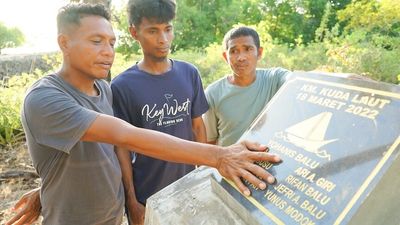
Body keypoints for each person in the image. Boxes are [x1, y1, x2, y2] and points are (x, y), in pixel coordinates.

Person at [6, 4, 281, 225]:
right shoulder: (45, 97)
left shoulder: (102, 88)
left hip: (112, 215)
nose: (108, 52)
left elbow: (103, 153)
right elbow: (125, 137)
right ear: (64, 43)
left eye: (112, 43)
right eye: (96, 41)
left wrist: (45, 190)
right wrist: (220, 156)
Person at [110, 0, 208, 224]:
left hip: (189, 189)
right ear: (134, 32)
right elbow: (121, 148)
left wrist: (203, 177)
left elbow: (198, 127)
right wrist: (132, 201)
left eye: (168, 29)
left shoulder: (189, 73)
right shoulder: (122, 86)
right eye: (153, 31)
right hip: (149, 195)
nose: (163, 39)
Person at [203, 26, 291, 146]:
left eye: (248, 49)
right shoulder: (213, 93)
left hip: (270, 161)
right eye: (234, 51)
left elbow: (297, 81)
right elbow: (209, 141)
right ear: (225, 57)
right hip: (231, 163)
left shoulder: (274, 78)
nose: (241, 57)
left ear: (259, 53)